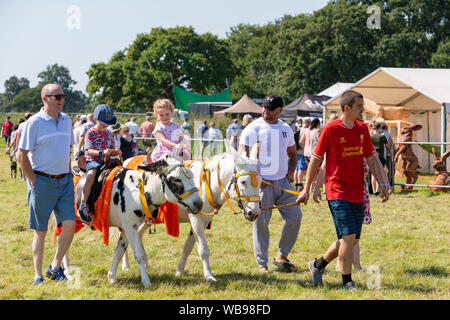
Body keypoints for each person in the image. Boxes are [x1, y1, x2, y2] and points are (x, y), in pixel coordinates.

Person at [297, 90, 391, 291]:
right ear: (347, 108)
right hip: (337, 192)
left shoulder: (362, 128)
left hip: (358, 191)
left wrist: (383, 183)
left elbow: (372, 158)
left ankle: (318, 265)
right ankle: (347, 282)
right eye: (359, 106)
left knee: (350, 239)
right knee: (348, 238)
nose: (363, 109)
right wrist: (307, 188)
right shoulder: (330, 129)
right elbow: (316, 159)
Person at [16, 83, 76, 285]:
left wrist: (68, 173)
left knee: (70, 225)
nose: (61, 100)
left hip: (65, 182)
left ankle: (55, 266)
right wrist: (34, 182)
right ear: (45, 99)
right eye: (57, 96)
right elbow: (21, 154)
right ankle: (38, 275)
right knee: (40, 232)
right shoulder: (34, 122)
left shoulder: (67, 120)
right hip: (42, 182)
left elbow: (67, 149)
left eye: (63, 96)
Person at [239, 94, 302, 273]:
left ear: (280, 110)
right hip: (262, 184)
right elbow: (244, 156)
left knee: (295, 216)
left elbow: (293, 153)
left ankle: (282, 255)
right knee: (261, 223)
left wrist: (291, 172)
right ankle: (262, 263)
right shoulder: (253, 128)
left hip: (282, 182)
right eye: (264, 108)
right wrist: (257, 177)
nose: (266, 111)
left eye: (270, 108)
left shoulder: (286, 129)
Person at [77, 104, 121, 223]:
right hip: (94, 160)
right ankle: (83, 204)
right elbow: (89, 150)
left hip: (107, 161)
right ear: (95, 120)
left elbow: (111, 149)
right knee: (91, 176)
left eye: (108, 123)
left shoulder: (110, 134)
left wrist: (115, 152)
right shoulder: (90, 132)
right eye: (103, 123)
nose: (106, 126)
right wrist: (102, 152)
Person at [370, 122, 390, 195]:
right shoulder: (382, 137)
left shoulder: (370, 136)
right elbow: (388, 146)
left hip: (372, 156)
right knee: (380, 173)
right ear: (379, 128)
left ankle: (374, 191)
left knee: (373, 174)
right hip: (380, 156)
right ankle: (378, 190)